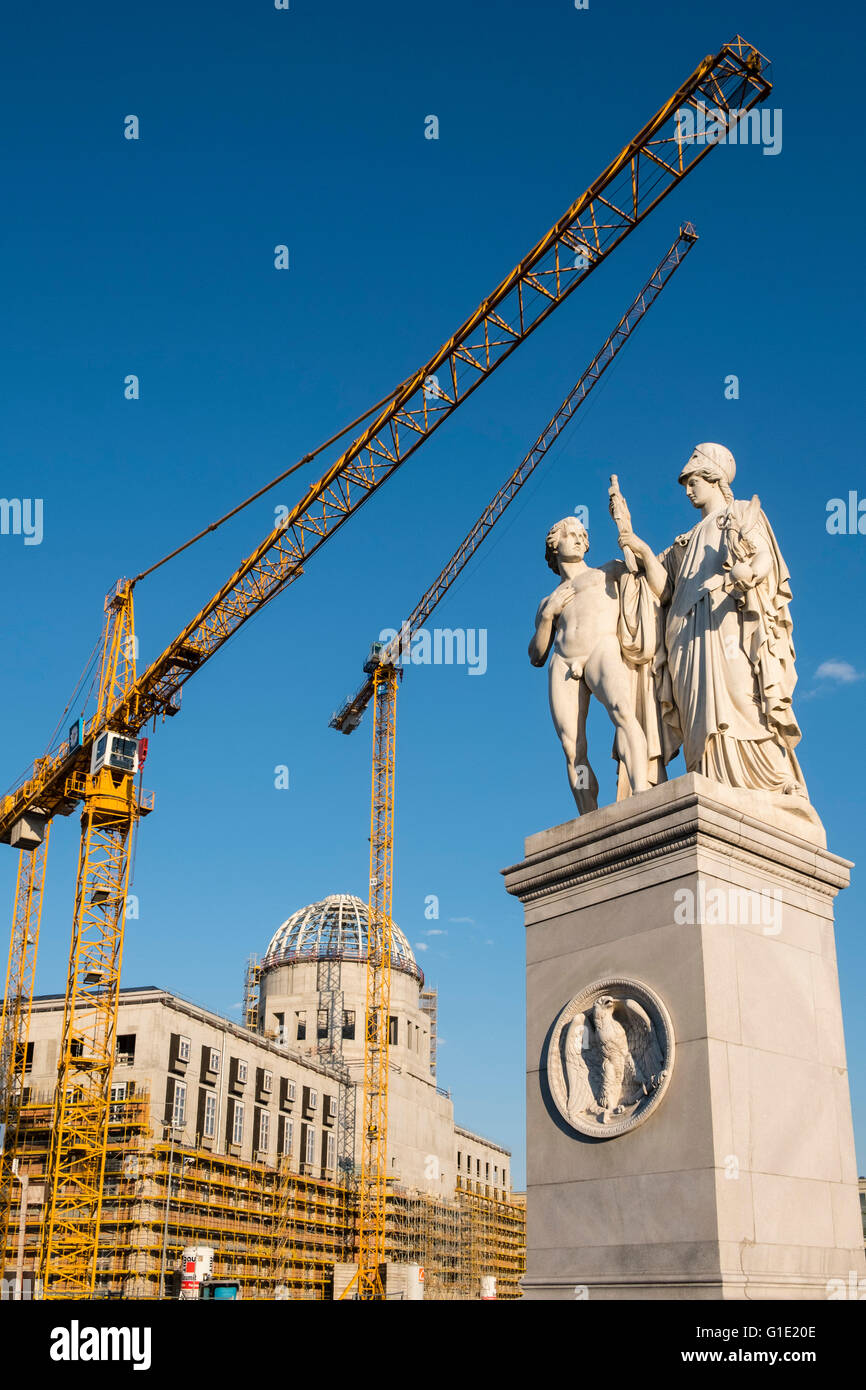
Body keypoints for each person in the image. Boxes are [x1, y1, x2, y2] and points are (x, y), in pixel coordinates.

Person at [613, 443, 808, 797]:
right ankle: (706, 777)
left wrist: (749, 571)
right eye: (686, 483)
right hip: (684, 633)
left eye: (693, 482)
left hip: (726, 621)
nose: (688, 491)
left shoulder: (741, 513)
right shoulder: (682, 542)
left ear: (714, 478)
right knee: (697, 713)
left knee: (740, 695)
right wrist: (637, 545)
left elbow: (764, 557)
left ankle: (771, 780)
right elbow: (663, 589)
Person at [528, 516, 651, 813]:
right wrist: (548, 618)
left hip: (601, 647)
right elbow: (536, 655)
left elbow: (642, 572)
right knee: (573, 748)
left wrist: (624, 523)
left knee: (624, 713)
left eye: (583, 534)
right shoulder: (548, 601)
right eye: (571, 534)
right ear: (554, 546)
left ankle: (642, 791)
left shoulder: (605, 571)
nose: (580, 538)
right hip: (563, 662)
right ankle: (588, 815)